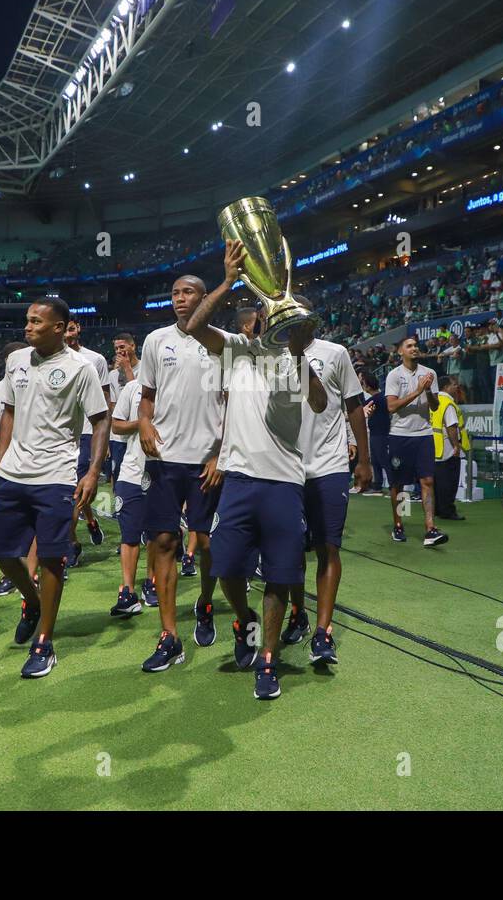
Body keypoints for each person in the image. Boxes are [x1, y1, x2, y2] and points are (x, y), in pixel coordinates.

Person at [184, 241, 328, 700]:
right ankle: (243, 619)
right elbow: (193, 325)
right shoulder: (237, 350)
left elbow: (322, 403)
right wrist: (227, 280)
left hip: (286, 481)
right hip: (240, 479)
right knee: (226, 566)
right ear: (262, 318)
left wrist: (302, 355)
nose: (284, 323)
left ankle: (267, 659)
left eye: (295, 320)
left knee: (281, 575)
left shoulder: (297, 361)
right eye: (278, 314)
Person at [0, 297, 108, 679]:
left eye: (37, 321)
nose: (28, 326)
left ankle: (44, 641)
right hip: (11, 473)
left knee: (53, 559)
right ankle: (33, 601)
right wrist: (1, 456)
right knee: (2, 553)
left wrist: (91, 474)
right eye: (27, 320)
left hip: (55, 475)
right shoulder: (17, 360)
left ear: (59, 328)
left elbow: (101, 420)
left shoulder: (80, 369)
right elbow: (8, 408)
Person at [137, 274, 228, 669]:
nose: (179, 298)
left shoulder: (222, 343)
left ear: (205, 299)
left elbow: (234, 403)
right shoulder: (157, 340)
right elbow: (146, 398)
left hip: (208, 459)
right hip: (164, 458)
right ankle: (168, 634)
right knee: (162, 542)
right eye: (174, 292)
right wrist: (143, 423)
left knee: (206, 542)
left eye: (188, 292)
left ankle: (205, 601)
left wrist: (220, 455)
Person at [282, 312, 371, 664]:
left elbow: (354, 407)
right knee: (289, 552)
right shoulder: (273, 356)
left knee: (327, 547)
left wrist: (364, 460)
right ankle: (297, 613)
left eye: (298, 320)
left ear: (312, 324)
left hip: (330, 465)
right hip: (285, 467)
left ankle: (323, 632)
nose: (292, 327)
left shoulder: (335, 353)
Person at [384, 337, 449, 547]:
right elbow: (391, 407)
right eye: (409, 346)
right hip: (400, 435)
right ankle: (399, 524)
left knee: (427, 480)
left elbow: (435, 406)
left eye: (415, 346)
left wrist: (428, 390)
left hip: (424, 434)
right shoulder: (394, 375)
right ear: (400, 351)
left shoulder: (429, 374)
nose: (414, 349)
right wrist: (417, 391)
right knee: (399, 484)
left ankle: (430, 529)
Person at [0, 341, 34, 597]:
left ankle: (32, 575)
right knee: (5, 529)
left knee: (34, 525)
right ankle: (12, 576)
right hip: (4, 466)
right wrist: (9, 436)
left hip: (35, 464)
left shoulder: (36, 386)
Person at [108, 373, 158, 615]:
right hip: (131, 471)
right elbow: (115, 424)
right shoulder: (132, 388)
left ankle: (152, 582)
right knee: (129, 533)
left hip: (162, 469)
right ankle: (127, 591)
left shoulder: (177, 384)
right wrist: (142, 423)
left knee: (156, 533)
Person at [64, 317, 111, 568]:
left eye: (72, 328)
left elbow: (105, 402)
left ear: (78, 328)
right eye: (65, 329)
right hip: (61, 437)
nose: (69, 334)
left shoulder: (96, 360)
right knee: (68, 489)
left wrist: (107, 440)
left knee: (75, 490)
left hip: (86, 433)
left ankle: (70, 543)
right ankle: (90, 519)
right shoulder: (49, 359)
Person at [431, 377, 467, 521]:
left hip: (434, 447)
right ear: (446, 387)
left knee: (436, 482)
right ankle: (448, 511)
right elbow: (451, 426)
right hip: (447, 448)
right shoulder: (448, 403)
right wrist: (456, 446)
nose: (456, 386)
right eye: (453, 384)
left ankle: (437, 509)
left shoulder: (433, 401)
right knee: (449, 482)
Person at [108, 331, 139, 483]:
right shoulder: (113, 375)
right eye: (116, 349)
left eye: (122, 347)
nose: (119, 351)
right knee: (118, 478)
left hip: (138, 434)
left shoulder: (146, 368)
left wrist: (127, 369)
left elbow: (138, 398)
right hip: (118, 438)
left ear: (133, 346)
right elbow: (113, 406)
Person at [360, 372, 389, 495]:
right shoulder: (381, 397)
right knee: (376, 460)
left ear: (368, 386)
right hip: (377, 432)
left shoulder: (375, 399)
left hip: (379, 433)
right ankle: (377, 485)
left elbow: (361, 410)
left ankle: (392, 484)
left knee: (382, 460)